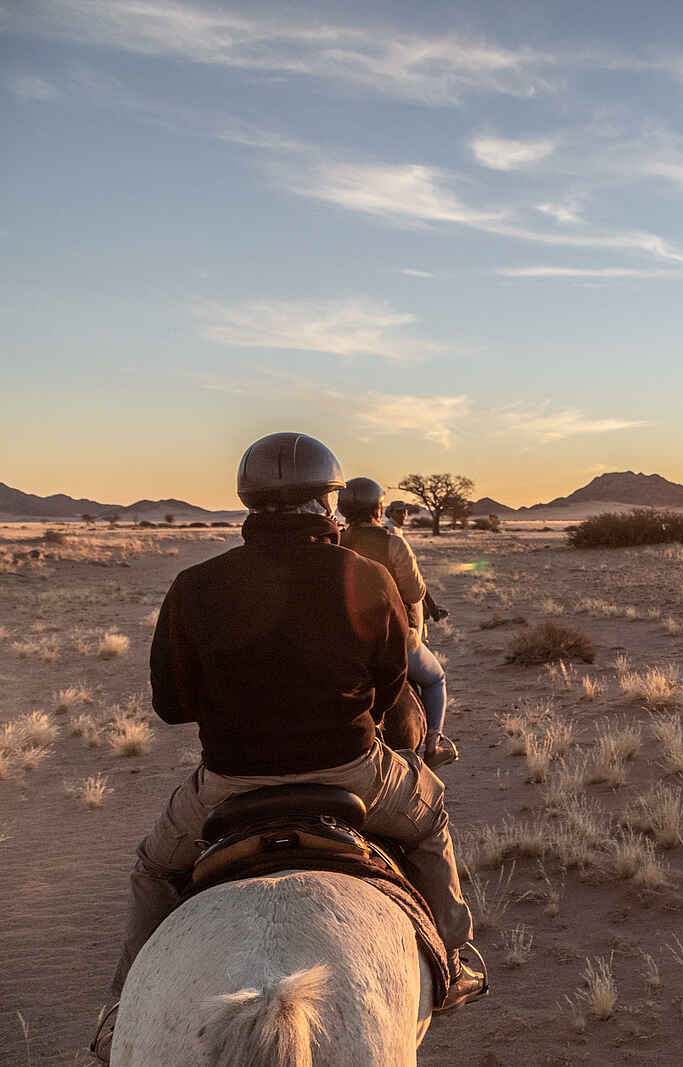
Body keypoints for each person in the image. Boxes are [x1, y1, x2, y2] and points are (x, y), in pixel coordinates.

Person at [102, 432, 485, 1051]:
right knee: (430, 817)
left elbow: (170, 706)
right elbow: (390, 692)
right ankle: (460, 958)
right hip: (354, 772)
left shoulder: (194, 586)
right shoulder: (367, 576)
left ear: (249, 504)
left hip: (229, 781)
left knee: (154, 866)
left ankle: (120, 1008)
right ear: (328, 502)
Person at [338, 477, 455, 767]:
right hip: (394, 638)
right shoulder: (394, 544)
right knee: (435, 678)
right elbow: (415, 592)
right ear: (379, 509)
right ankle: (433, 745)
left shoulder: (335, 541)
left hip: (343, 637)